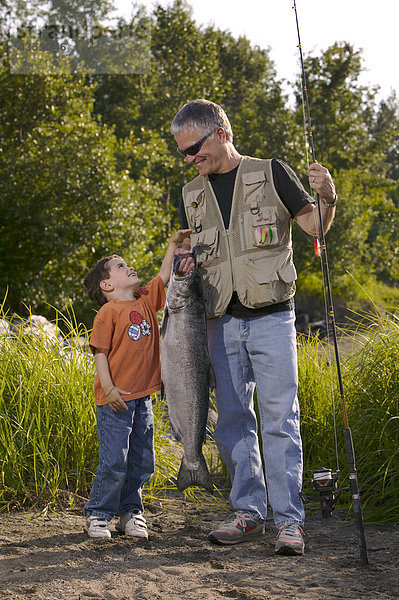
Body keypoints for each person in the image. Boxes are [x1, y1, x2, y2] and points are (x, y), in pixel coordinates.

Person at [170, 99, 338, 556]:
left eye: (194, 149)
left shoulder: (272, 172)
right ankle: (248, 513)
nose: (190, 159)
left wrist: (327, 196)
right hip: (218, 324)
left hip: (272, 319)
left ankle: (290, 522)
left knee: (281, 420)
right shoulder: (190, 194)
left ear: (220, 133)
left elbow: (316, 228)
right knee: (232, 423)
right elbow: (191, 260)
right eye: (184, 152)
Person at [82, 229, 193, 539]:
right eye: (120, 266)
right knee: (114, 460)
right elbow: (100, 355)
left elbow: (164, 277)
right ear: (107, 284)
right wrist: (110, 388)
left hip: (143, 399)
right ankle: (98, 513)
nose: (128, 266)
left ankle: (131, 512)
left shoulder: (145, 300)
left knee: (143, 460)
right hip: (114, 401)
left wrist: (172, 245)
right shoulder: (107, 313)